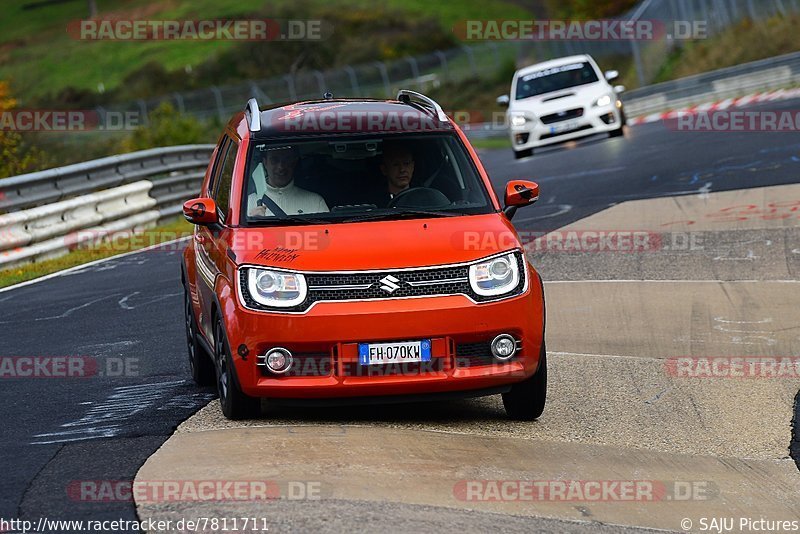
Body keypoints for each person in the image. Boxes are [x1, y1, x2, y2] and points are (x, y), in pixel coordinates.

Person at [247, 146, 329, 217]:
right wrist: (252, 223)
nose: (281, 167)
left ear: (294, 162)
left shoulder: (316, 202)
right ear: (265, 163)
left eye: (287, 160)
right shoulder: (249, 203)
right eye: (274, 160)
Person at [373, 143, 415, 208]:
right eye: (396, 164)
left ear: (413, 166)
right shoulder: (374, 204)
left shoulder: (426, 198)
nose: (402, 170)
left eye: (406, 163)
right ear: (384, 169)